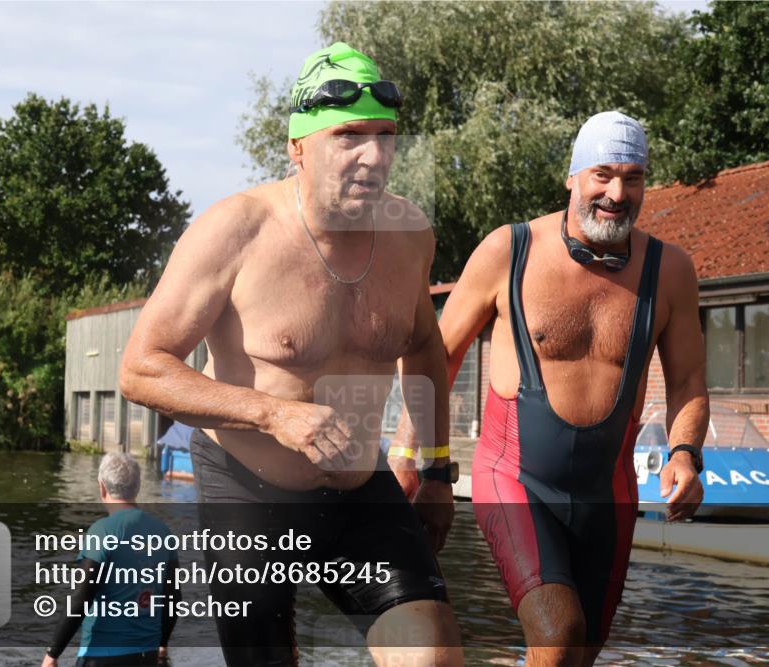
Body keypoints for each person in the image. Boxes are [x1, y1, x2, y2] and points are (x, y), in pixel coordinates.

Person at [120, 42, 463, 667]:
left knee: (433, 655)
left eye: (386, 136)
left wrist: (436, 469)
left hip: (362, 490)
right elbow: (141, 368)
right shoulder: (236, 230)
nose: (374, 156)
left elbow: (421, 345)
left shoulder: (409, 234)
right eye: (349, 135)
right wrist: (275, 414)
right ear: (298, 148)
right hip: (249, 491)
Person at [435, 111, 708, 665]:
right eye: (603, 174)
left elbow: (688, 381)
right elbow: (435, 360)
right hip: (512, 476)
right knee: (559, 633)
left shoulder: (670, 269)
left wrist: (685, 454)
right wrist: (425, 461)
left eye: (633, 178)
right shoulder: (509, 250)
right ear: (572, 177)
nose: (616, 193)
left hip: (608, 495)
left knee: (578, 652)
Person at [42, 453, 179, 667]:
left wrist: (53, 653)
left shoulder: (102, 531)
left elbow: (81, 597)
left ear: (102, 487)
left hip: (101, 656)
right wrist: (162, 644)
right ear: (138, 486)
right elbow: (173, 597)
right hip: (147, 656)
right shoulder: (163, 532)